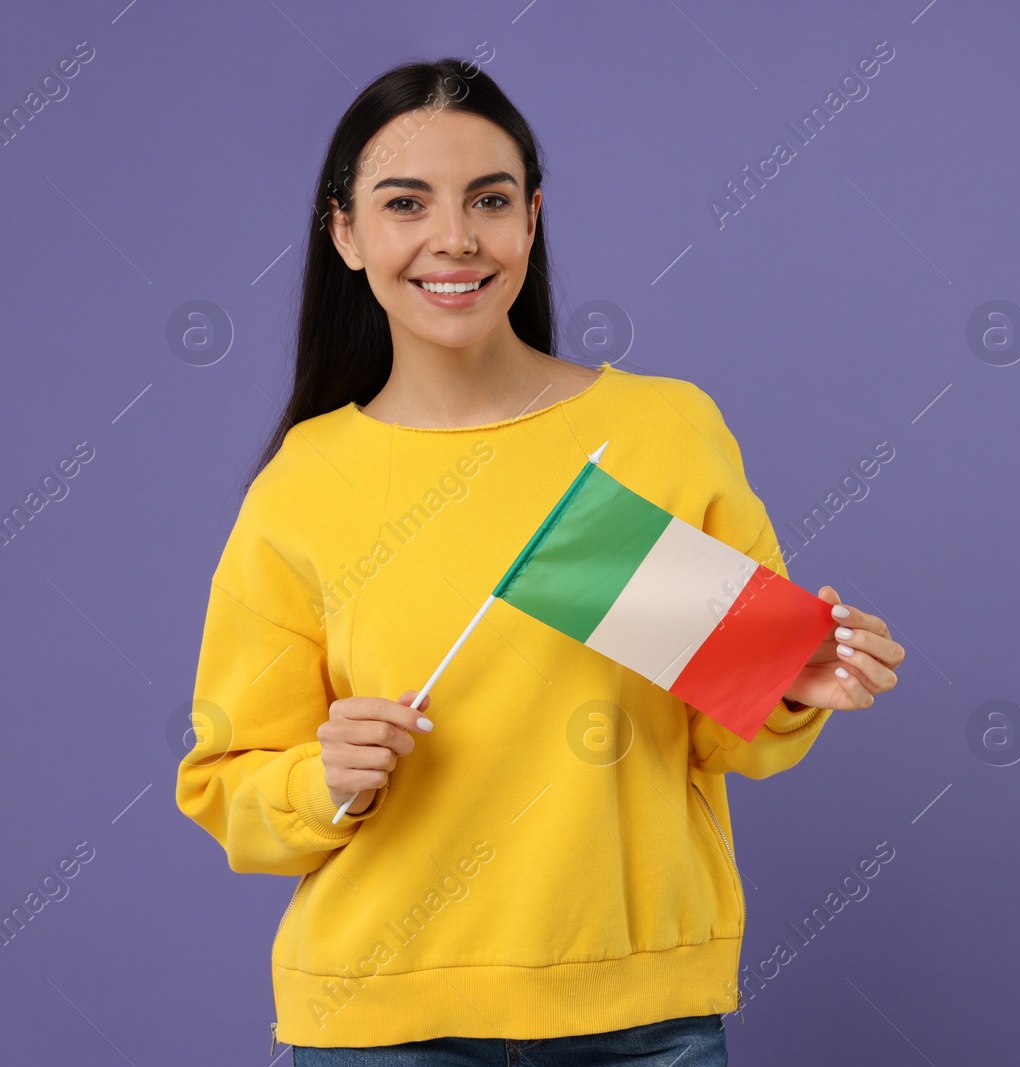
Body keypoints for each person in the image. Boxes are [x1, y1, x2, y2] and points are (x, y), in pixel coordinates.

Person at [173, 57, 902, 1066]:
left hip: (639, 1017)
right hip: (382, 1025)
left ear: (530, 220)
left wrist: (788, 683)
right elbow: (228, 785)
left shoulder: (659, 432)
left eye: (490, 200)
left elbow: (729, 741)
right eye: (405, 203)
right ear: (346, 232)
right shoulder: (305, 483)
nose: (455, 237)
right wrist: (320, 779)